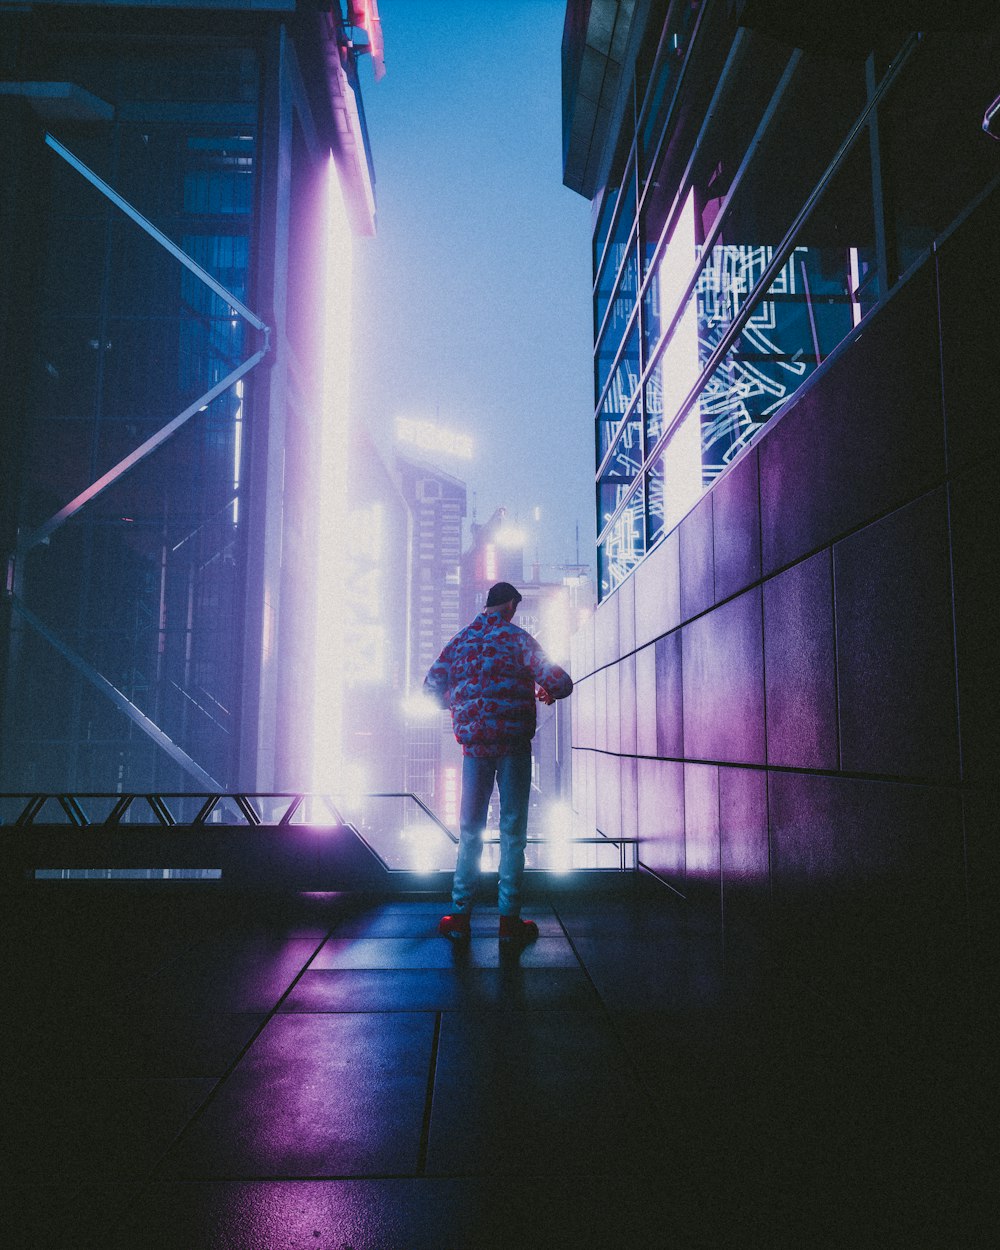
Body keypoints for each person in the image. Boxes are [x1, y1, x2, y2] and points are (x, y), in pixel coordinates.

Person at [423, 581, 573, 945]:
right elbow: (561, 682)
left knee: (470, 831)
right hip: (513, 747)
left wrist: (459, 700)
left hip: (474, 748)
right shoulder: (519, 640)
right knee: (512, 832)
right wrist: (545, 691)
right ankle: (509, 921)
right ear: (509, 606)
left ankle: (459, 916)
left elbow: (429, 687)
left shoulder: (460, 642)